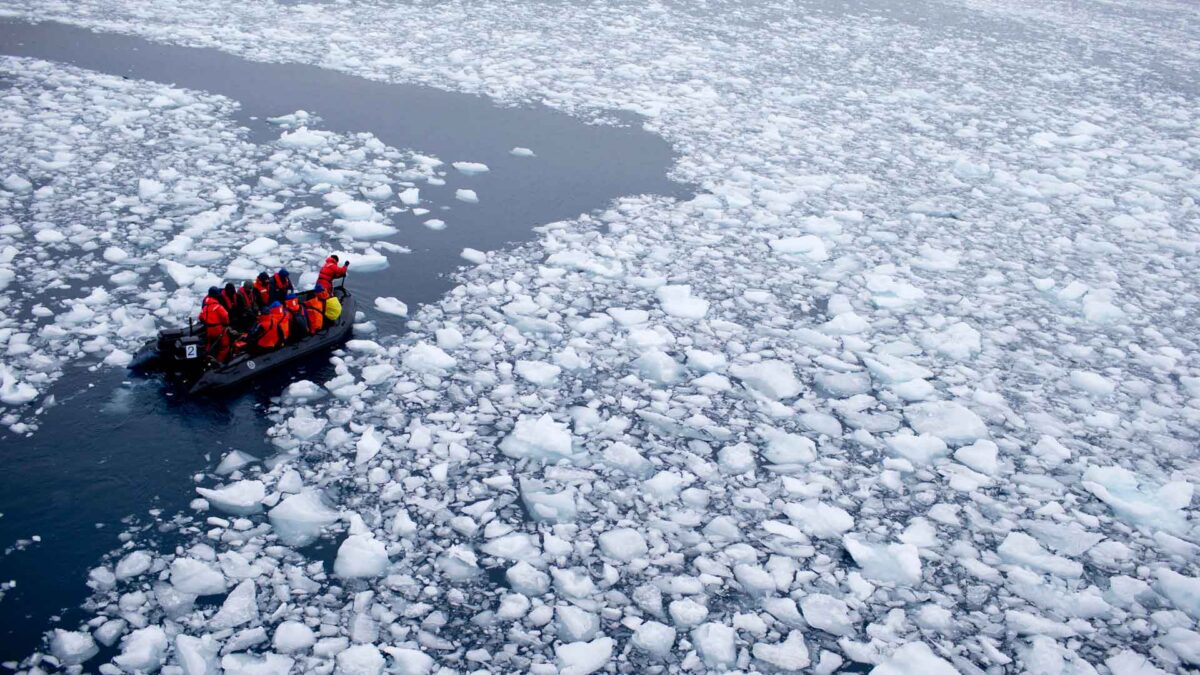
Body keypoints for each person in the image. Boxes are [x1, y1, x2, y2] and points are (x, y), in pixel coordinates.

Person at [198, 286, 232, 363]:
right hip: (218, 330)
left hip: (209, 330)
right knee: (225, 346)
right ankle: (219, 362)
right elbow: (225, 317)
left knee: (209, 344)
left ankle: (205, 358)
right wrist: (226, 324)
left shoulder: (205, 307)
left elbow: (200, 317)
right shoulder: (218, 307)